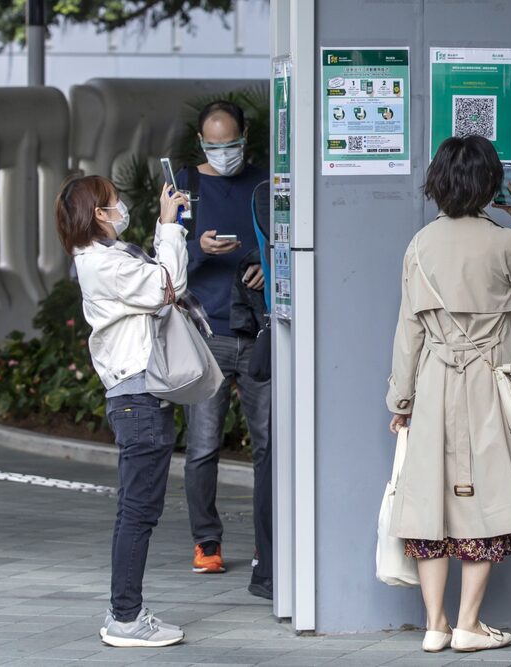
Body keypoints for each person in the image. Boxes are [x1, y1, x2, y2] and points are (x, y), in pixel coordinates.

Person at [386, 136, 511, 653]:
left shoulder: (420, 245)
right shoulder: (504, 242)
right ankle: (469, 624)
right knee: (487, 500)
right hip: (491, 387)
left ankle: (435, 625)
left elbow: (408, 332)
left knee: (431, 503)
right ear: (490, 185)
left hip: (435, 385)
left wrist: (402, 402)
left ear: (437, 183)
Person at [56, 175, 190, 647]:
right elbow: (169, 285)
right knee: (138, 513)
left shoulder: (104, 257)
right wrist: (168, 225)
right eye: (115, 202)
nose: (121, 207)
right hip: (139, 399)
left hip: (135, 398)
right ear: (99, 214)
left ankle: (125, 612)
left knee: (134, 510)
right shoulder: (104, 264)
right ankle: (126, 618)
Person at [175, 100, 273, 600]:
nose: (224, 152)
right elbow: (164, 258)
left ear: (244, 136)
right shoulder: (184, 187)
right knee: (202, 447)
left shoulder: (266, 183)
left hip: (257, 333)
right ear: (200, 142)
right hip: (205, 333)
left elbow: (287, 243)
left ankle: (267, 546)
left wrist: (266, 268)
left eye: (231, 143)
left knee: (269, 446)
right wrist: (199, 249)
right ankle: (206, 542)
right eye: (214, 145)